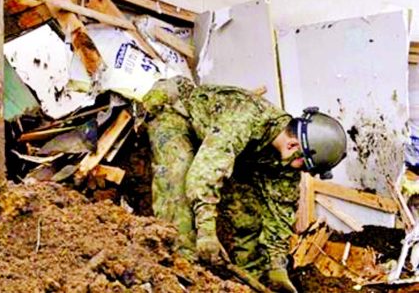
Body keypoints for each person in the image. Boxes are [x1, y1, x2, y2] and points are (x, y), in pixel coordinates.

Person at [141, 77, 347, 293]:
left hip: (217, 139)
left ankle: (247, 281)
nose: (301, 171)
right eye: (303, 165)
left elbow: (280, 209)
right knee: (179, 186)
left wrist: (277, 268)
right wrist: (206, 231)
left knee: (248, 211)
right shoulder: (243, 119)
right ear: (293, 145)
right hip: (176, 112)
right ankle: (181, 275)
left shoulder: (285, 160)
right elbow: (206, 173)